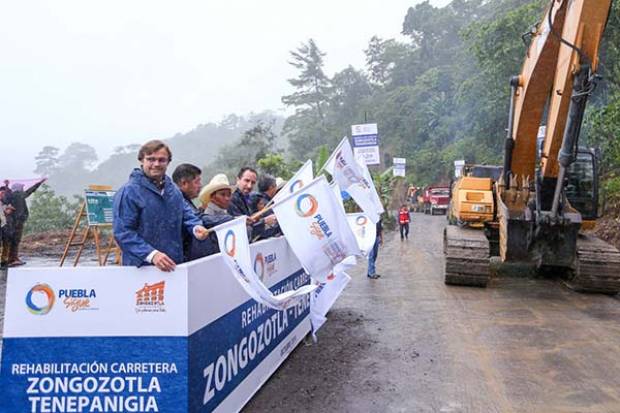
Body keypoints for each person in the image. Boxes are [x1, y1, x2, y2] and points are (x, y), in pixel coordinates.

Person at [113, 140, 209, 272]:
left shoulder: (173, 190)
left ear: (168, 162)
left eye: (161, 160)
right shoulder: (129, 192)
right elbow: (123, 233)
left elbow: (187, 214)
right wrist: (152, 255)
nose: (156, 164)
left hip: (173, 267)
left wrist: (196, 227)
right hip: (141, 270)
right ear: (141, 160)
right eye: (151, 159)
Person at [172, 163, 229, 262]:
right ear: (184, 183)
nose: (200, 185)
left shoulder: (185, 201)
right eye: (197, 182)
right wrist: (231, 219)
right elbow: (200, 218)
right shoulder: (177, 201)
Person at [228, 167, 278, 240]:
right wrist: (264, 222)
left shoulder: (246, 198)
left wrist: (257, 218)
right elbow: (241, 227)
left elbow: (249, 222)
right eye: (246, 181)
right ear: (238, 180)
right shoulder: (231, 199)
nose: (249, 186)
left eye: (253, 182)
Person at [5, 179, 45, 266]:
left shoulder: (11, 196)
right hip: (17, 221)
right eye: (22, 188)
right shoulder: (19, 195)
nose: (23, 189)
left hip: (12, 221)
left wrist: (7, 186)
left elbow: (6, 197)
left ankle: (11, 258)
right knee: (16, 240)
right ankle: (13, 258)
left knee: (12, 240)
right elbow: (30, 190)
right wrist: (39, 183)